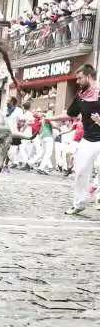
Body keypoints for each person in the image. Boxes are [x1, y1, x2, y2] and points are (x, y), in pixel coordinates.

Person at [50, 64, 100, 215]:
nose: (77, 81)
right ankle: (79, 204)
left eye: (79, 78)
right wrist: (49, 118)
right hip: (88, 139)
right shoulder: (80, 96)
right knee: (80, 171)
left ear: (89, 76)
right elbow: (70, 114)